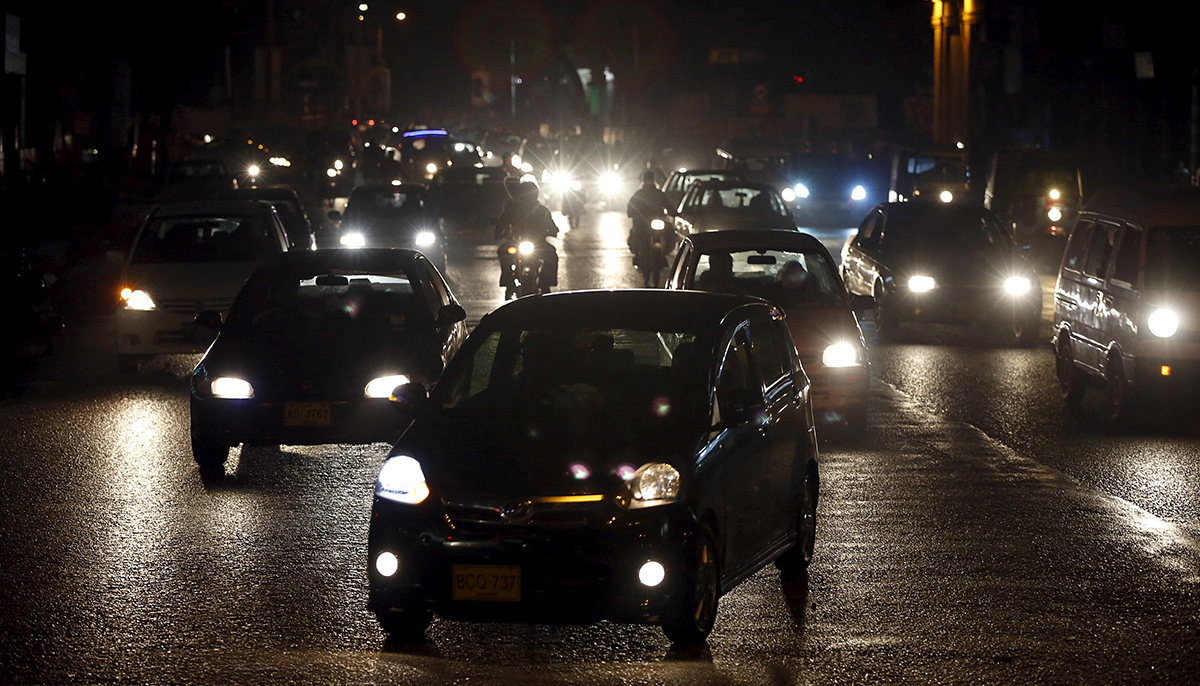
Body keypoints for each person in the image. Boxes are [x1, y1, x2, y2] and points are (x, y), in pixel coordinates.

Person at [494, 181, 559, 296]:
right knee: (503, 252)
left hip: (538, 244)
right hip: (515, 242)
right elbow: (501, 221)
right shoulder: (512, 209)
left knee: (551, 254)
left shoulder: (542, 210)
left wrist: (553, 231)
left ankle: (545, 283)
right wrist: (499, 232)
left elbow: (552, 226)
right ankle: (509, 283)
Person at [626, 170, 675, 284]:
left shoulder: (658, 194)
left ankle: (665, 253)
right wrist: (632, 213)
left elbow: (669, 205)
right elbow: (630, 208)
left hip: (657, 224)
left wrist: (674, 212)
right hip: (642, 225)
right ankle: (640, 254)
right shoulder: (639, 195)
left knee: (670, 234)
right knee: (637, 237)